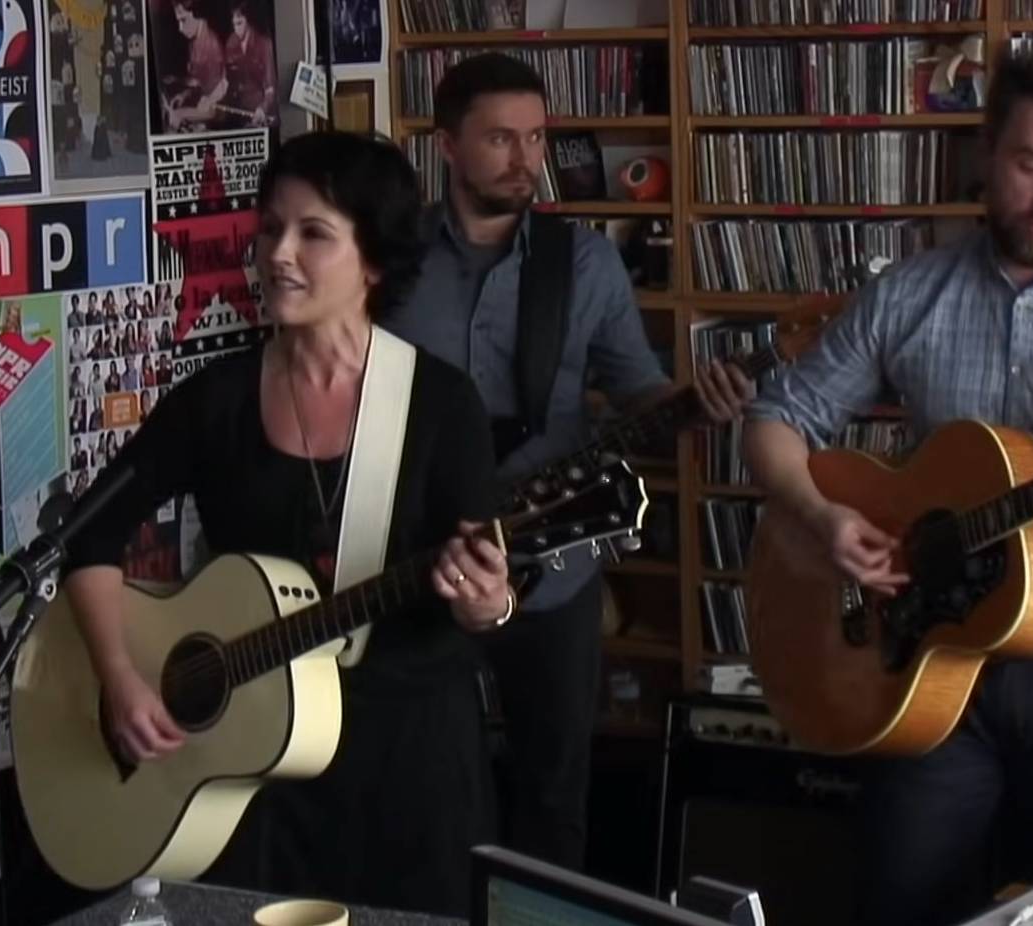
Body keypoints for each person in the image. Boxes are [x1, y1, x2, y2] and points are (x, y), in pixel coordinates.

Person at [741, 43, 1033, 926]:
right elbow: (772, 421)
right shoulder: (908, 292)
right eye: (1031, 165)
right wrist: (821, 516)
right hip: (931, 657)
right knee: (903, 903)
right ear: (987, 151)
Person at [61, 131, 509, 916]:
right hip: (248, 773)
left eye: (312, 233)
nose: (277, 253)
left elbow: (485, 595)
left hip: (408, 770)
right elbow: (89, 537)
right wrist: (121, 678)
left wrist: (485, 601)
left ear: (372, 261)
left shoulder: (440, 406)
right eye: (270, 228)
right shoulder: (216, 400)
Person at [383, 52, 754, 871]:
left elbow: (636, 392)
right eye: (500, 140)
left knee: (553, 793)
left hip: (555, 561)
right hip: (418, 554)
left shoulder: (580, 262)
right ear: (446, 145)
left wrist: (697, 405)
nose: (525, 160)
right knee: (423, 785)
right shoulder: (392, 261)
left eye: (536, 138)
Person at [161, 0, 227, 132]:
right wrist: (185, 95)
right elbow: (198, 82)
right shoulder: (195, 40)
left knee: (174, 118)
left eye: (183, 20)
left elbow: (217, 93)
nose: (180, 28)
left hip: (216, 108)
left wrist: (187, 109)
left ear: (197, 15)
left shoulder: (210, 45)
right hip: (203, 101)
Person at [223, 2, 276, 125]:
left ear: (248, 21)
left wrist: (263, 108)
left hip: (260, 111)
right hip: (238, 110)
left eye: (240, 23)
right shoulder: (231, 43)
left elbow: (270, 89)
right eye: (234, 25)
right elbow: (227, 81)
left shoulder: (264, 44)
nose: (236, 30)